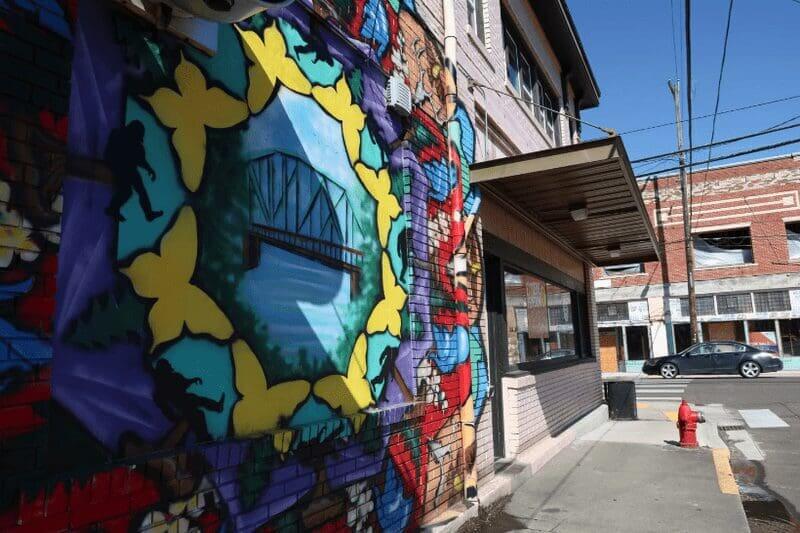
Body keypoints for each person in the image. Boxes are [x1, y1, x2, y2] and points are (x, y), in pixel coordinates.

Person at [104, 120, 163, 221]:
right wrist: (149, 169)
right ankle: (113, 209)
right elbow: (139, 160)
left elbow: (140, 160)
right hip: (119, 167)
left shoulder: (131, 142)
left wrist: (149, 169)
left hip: (127, 169)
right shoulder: (120, 136)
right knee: (127, 191)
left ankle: (148, 213)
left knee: (140, 190)